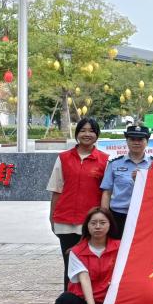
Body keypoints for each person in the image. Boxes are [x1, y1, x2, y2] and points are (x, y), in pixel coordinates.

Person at [47, 116, 108, 286]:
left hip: (91, 223)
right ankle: (69, 299)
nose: (87, 134)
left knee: (90, 264)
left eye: (91, 131)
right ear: (77, 134)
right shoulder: (64, 158)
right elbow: (56, 189)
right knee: (70, 265)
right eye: (83, 130)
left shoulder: (104, 160)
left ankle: (90, 298)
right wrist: (52, 216)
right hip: (65, 221)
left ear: (97, 135)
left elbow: (107, 193)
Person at [54, 207, 121, 304]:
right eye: (93, 223)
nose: (98, 226)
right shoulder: (76, 251)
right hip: (85, 301)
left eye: (102, 222)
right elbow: (84, 280)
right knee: (64, 301)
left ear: (110, 225)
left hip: (108, 302)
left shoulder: (120, 247)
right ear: (87, 226)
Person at [100, 123, 153, 238]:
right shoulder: (114, 164)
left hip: (145, 215)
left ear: (147, 141)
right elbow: (107, 192)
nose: (136, 142)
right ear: (127, 141)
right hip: (118, 216)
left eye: (140, 139)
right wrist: (104, 216)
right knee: (116, 247)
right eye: (132, 139)